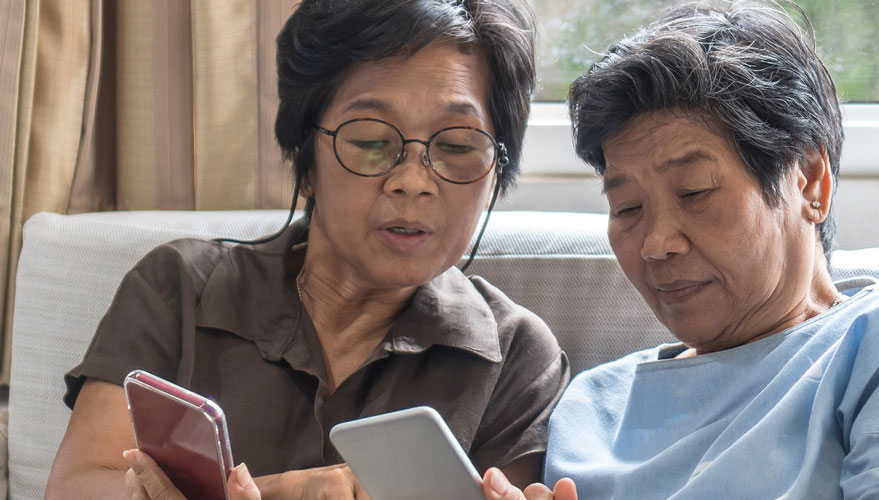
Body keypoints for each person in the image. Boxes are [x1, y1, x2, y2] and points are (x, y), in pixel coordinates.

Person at [479, 3, 879, 499]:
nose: (656, 243)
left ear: (808, 181)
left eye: (695, 192)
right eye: (627, 208)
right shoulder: (592, 407)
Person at [44, 0, 568, 498]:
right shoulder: (177, 288)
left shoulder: (517, 356)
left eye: (455, 146)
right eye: (370, 141)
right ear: (304, 157)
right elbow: (77, 486)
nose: (413, 181)